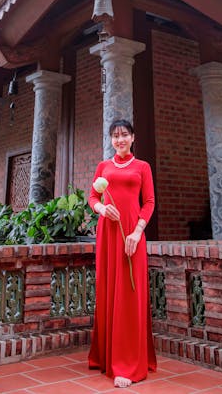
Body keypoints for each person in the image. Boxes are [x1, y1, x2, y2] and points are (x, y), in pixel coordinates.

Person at [88, 119, 157, 388]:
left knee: (130, 293)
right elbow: (93, 197)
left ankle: (128, 363)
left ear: (133, 138)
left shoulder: (142, 167)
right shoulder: (103, 167)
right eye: (115, 136)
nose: (120, 140)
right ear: (111, 140)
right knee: (108, 290)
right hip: (108, 234)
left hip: (132, 235)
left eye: (124, 135)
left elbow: (149, 201)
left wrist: (138, 232)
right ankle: (107, 357)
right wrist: (102, 210)